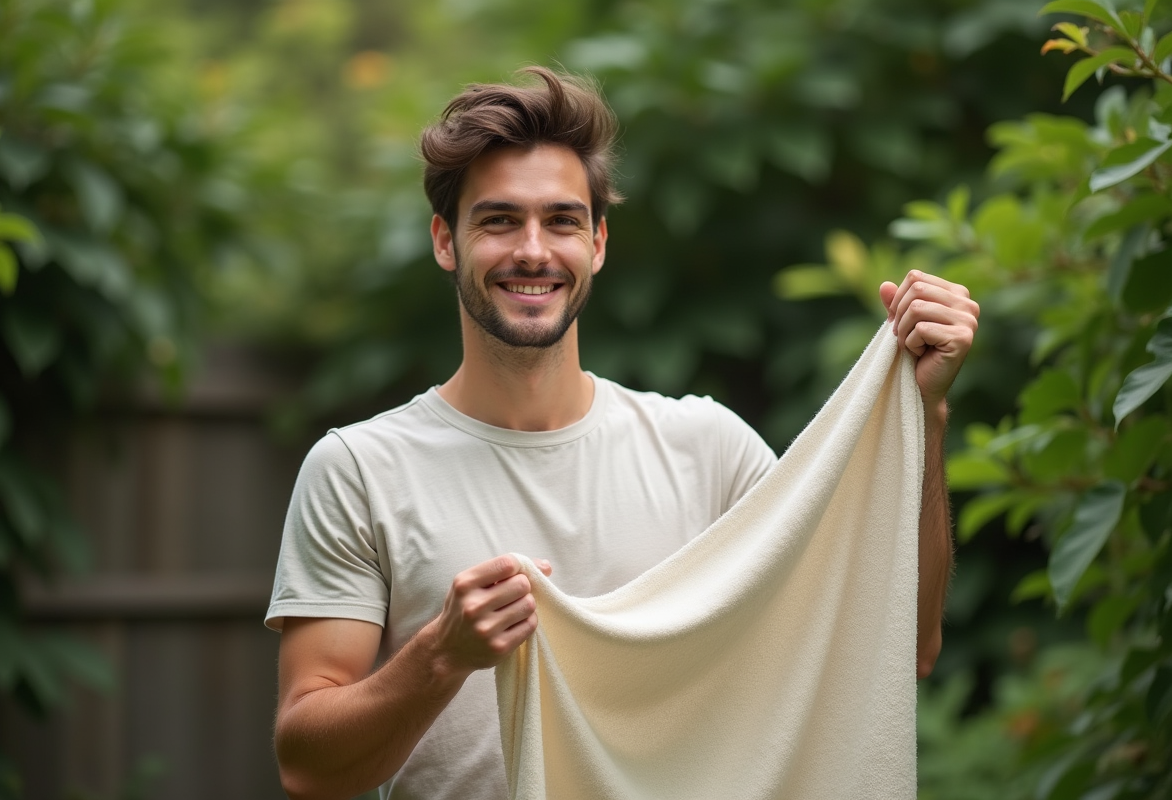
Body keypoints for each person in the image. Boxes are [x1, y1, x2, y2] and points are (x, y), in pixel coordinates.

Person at [266, 66, 979, 800]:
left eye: (563, 220)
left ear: (599, 243)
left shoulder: (708, 450)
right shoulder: (357, 468)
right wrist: (443, 655)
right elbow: (307, 766)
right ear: (447, 241)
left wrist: (923, 417)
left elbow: (904, 645)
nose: (534, 251)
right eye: (500, 219)